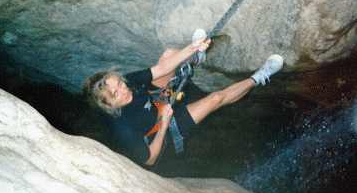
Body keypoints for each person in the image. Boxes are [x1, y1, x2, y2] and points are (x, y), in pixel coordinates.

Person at [83, 29, 284, 166]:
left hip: (156, 100)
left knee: (169, 54)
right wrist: (163, 125)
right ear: (108, 105)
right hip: (165, 128)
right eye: (116, 95)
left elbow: (162, 68)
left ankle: (197, 58)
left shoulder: (125, 82)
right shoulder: (122, 128)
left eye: (119, 83)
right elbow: (150, 159)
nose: (124, 90)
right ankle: (261, 76)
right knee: (215, 99)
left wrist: (193, 47)